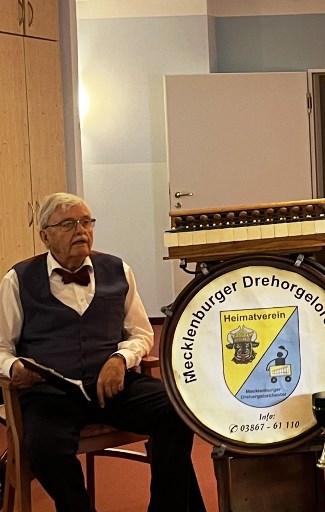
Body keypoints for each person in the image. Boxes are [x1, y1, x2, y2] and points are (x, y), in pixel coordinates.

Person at [0, 192, 206, 512]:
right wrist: (14, 368)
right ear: (45, 236)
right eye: (68, 224)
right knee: (44, 449)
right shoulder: (18, 279)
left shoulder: (117, 269)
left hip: (112, 387)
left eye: (86, 221)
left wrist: (120, 358)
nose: (81, 230)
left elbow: (140, 333)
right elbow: (1, 348)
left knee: (176, 409)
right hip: (50, 395)